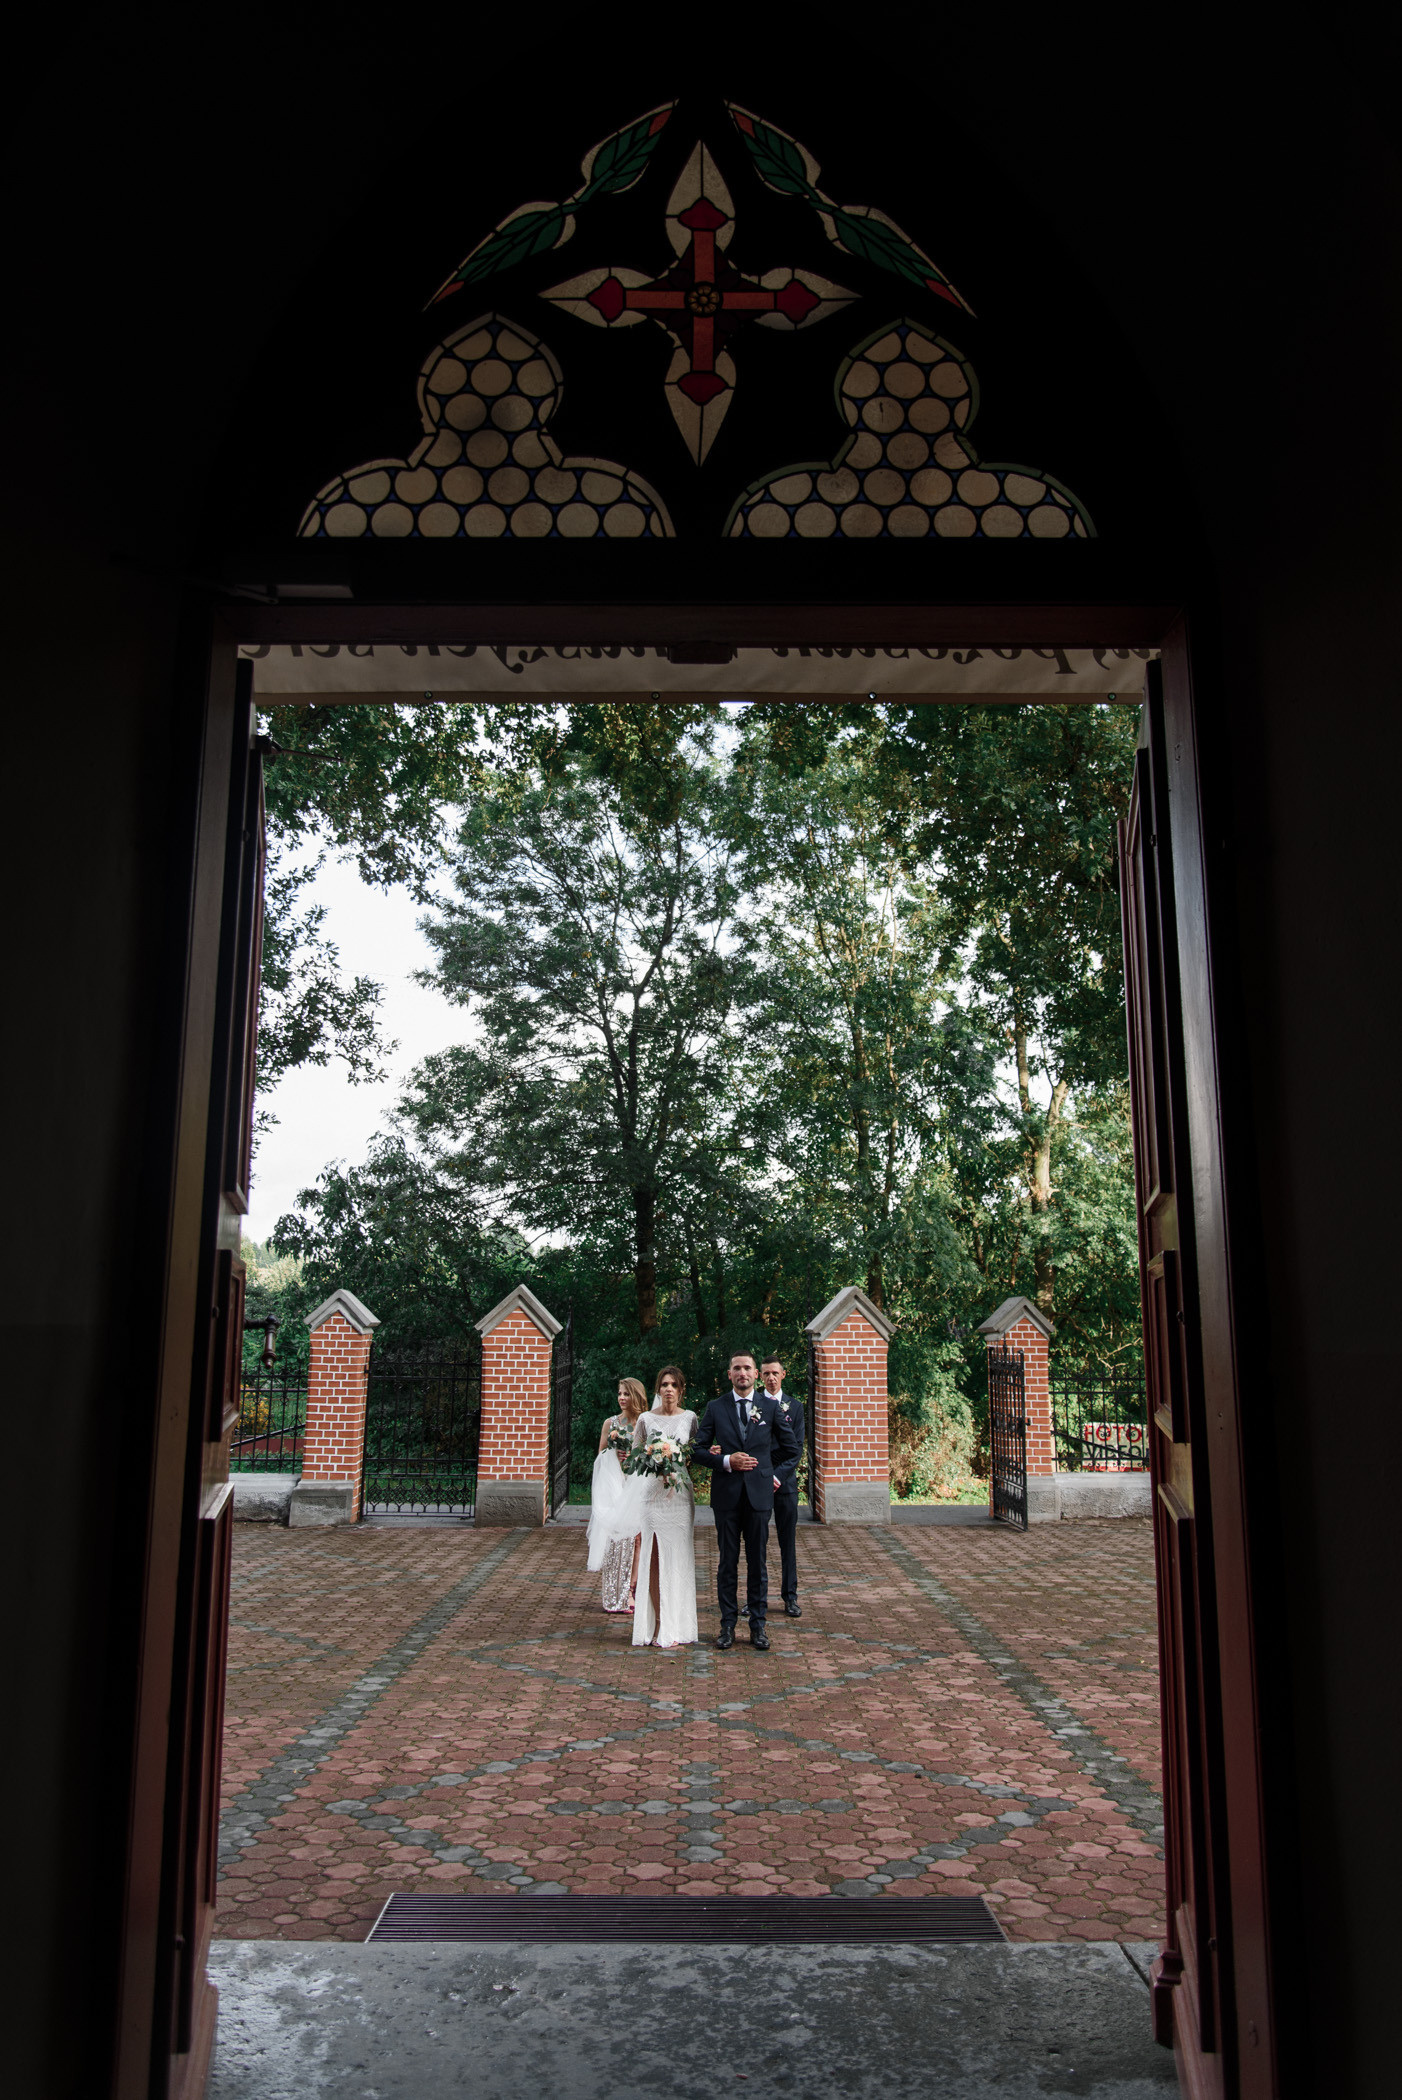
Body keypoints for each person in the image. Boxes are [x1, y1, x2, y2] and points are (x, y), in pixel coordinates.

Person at [690, 1349, 799, 1652]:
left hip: (759, 1497)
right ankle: (727, 1625)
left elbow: (791, 1449)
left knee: (757, 1563)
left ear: (755, 1374)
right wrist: (726, 1461)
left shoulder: (770, 1407)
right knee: (727, 1562)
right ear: (729, 1374)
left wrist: (771, 1474)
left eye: (747, 1368)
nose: (742, 1373)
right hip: (726, 1497)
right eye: (737, 1368)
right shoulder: (716, 1407)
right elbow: (697, 1450)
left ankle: (758, 1626)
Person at [631, 1366, 699, 1650]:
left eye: (673, 1385)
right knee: (653, 1557)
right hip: (652, 1495)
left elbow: (694, 1453)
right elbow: (636, 1454)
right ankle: (658, 1621)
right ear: (657, 1389)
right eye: (664, 1385)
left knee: (679, 1557)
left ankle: (678, 1622)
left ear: (681, 1390)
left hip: (680, 1496)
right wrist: (655, 1460)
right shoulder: (646, 1419)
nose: (668, 1389)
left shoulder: (690, 1418)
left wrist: (675, 1466)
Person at [587, 1377, 645, 1613]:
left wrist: (634, 1456)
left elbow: (653, 1454)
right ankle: (614, 1591)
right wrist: (615, 1455)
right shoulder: (610, 1423)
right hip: (616, 1485)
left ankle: (632, 1589)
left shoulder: (645, 1422)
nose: (622, 1398)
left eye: (626, 1393)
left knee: (638, 1538)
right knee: (618, 1539)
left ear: (636, 1396)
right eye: (620, 1393)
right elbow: (600, 1456)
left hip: (637, 1484)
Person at [761, 1353, 805, 1618]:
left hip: (785, 1484)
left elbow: (797, 1448)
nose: (771, 1378)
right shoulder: (754, 1404)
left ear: (783, 1375)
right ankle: (757, 1598)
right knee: (757, 1543)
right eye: (766, 1373)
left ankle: (790, 1597)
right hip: (759, 1483)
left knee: (787, 1543)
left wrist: (777, 1477)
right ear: (760, 1376)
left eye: (775, 1373)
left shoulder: (795, 1407)